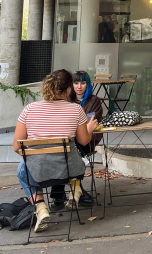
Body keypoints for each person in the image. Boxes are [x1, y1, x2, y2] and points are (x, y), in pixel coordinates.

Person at [12, 69, 100, 232]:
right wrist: (89, 127)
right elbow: (84, 141)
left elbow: (17, 146)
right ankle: (75, 188)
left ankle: (41, 207)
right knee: (75, 161)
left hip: (39, 171)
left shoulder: (29, 110)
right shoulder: (76, 110)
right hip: (68, 169)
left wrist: (33, 158)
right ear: (68, 89)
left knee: (22, 171)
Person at [49, 70, 104, 210]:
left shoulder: (94, 101)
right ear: (71, 85)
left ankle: (60, 195)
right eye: (76, 83)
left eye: (83, 83)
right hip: (69, 140)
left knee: (66, 151)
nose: (79, 86)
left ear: (88, 84)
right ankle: (74, 191)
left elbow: (90, 124)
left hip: (87, 140)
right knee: (64, 152)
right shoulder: (67, 100)